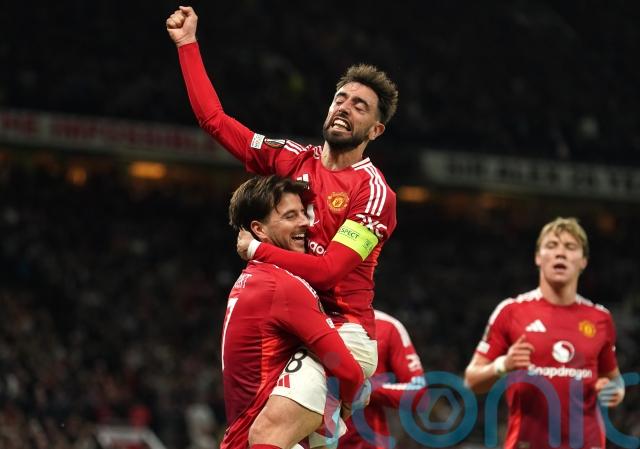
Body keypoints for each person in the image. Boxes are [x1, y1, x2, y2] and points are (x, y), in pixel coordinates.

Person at [167, 6, 398, 447]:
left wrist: (257, 250)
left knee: (265, 435)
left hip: (342, 332)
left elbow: (329, 271)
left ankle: (341, 404)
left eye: (360, 106)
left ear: (376, 129)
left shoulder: (373, 192)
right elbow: (215, 121)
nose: (345, 108)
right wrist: (187, 45)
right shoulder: (294, 159)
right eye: (341, 99)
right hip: (290, 324)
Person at [221, 175, 366, 449]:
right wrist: (349, 401)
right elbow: (347, 370)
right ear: (259, 230)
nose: (305, 222)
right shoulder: (283, 286)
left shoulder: (252, 278)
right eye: (290, 216)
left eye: (303, 212)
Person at [464, 217, 626, 449]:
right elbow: (471, 380)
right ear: (538, 257)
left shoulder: (600, 318)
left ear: (583, 261)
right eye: (551, 246)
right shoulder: (511, 311)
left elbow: (615, 381)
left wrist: (614, 391)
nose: (560, 253)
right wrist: (503, 365)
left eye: (570, 247)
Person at [340, 309, 427, 449]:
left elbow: (418, 393)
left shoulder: (387, 326)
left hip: (365, 442)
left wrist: (368, 387)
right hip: (309, 435)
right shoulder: (310, 317)